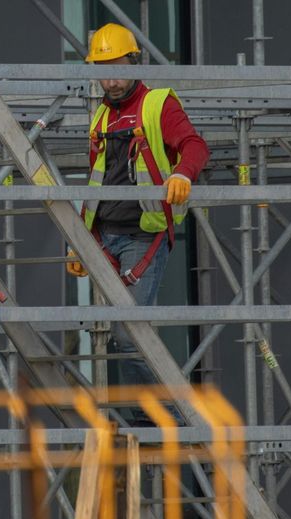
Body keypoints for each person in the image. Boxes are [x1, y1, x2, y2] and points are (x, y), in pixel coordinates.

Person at [67, 22, 210, 423]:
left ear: (135, 62)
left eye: (117, 68)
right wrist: (80, 240)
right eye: (102, 70)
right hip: (105, 238)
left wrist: (182, 174)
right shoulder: (100, 117)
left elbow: (195, 145)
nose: (110, 80)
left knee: (130, 334)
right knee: (120, 337)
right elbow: (98, 183)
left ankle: (171, 418)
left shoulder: (157, 104)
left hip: (142, 237)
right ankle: (149, 415)